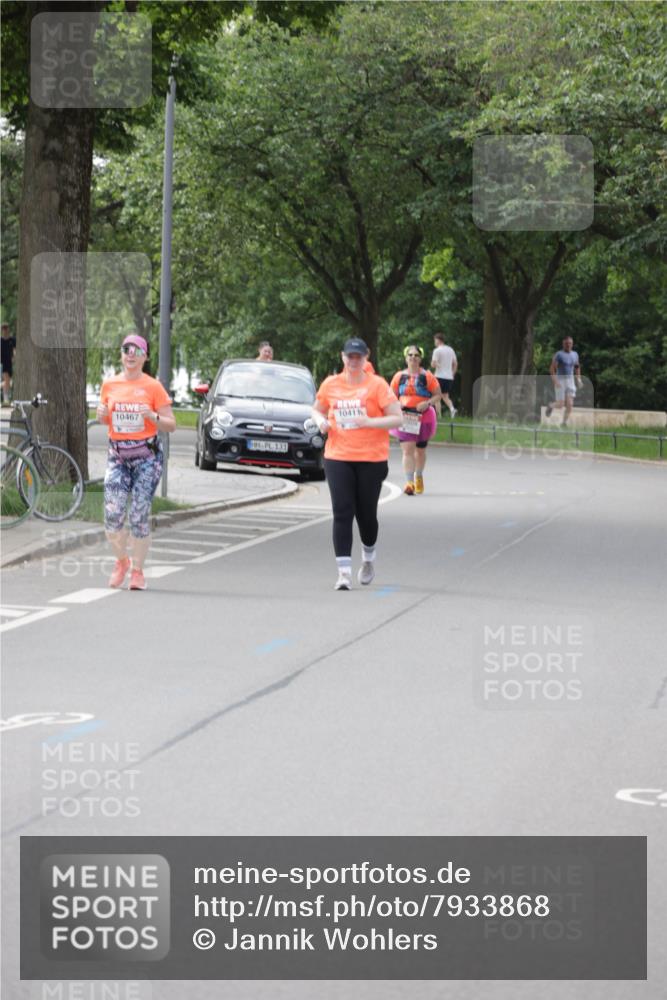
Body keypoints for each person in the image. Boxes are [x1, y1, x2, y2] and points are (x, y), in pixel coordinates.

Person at [312, 337, 402, 590]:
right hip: (338, 455)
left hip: (371, 458)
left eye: (358, 357)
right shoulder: (331, 384)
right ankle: (343, 573)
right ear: (343, 357)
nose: (353, 361)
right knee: (342, 512)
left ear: (366, 358)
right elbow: (316, 409)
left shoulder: (378, 385)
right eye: (349, 356)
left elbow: (397, 419)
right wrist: (321, 422)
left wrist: (370, 422)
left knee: (366, 515)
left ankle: (368, 557)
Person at [97, 334, 176, 591]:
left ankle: (138, 572)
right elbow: (106, 419)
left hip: (147, 459)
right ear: (121, 354)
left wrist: (152, 416)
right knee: (112, 514)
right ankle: (122, 561)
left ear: (145, 357)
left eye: (136, 350)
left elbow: (171, 424)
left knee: (139, 514)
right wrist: (102, 415)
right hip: (118, 458)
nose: (130, 354)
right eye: (126, 349)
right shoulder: (110, 385)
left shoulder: (153, 387)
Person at [390, 346, 441, 495]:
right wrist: (396, 403)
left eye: (416, 355)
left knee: (420, 450)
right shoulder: (399, 376)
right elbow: (390, 394)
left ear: (420, 358)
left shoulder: (428, 376)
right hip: (405, 418)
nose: (413, 357)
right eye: (410, 355)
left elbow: (438, 395)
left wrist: (428, 403)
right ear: (406, 358)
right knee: (407, 451)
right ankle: (409, 483)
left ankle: (418, 476)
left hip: (424, 418)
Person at [545, 336, 583, 426]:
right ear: (563, 344)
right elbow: (552, 369)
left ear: (572, 344)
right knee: (561, 404)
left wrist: (578, 379)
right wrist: (555, 381)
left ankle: (564, 423)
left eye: (570, 343)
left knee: (570, 404)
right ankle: (550, 406)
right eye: (566, 343)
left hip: (570, 380)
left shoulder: (575, 354)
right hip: (560, 379)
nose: (568, 345)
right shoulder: (559, 354)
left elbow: (577, 367)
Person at [430, 333, 457, 418]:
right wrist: (453, 373)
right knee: (445, 396)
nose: (434, 342)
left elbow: (433, 364)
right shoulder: (450, 350)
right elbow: (455, 363)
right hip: (449, 377)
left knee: (436, 396)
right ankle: (452, 409)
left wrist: (433, 364)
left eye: (435, 340)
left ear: (438, 340)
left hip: (439, 376)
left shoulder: (437, 350)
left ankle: (438, 415)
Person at [1, 323, 16, 404]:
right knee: (7, 380)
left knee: (8, 381)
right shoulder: (0, 340)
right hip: (2, 363)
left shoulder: (12, 340)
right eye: (3, 329)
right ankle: (6, 398)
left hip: (10, 362)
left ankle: (6, 397)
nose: (5, 330)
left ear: (8, 329)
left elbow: (15, 350)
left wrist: (14, 357)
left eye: (6, 328)